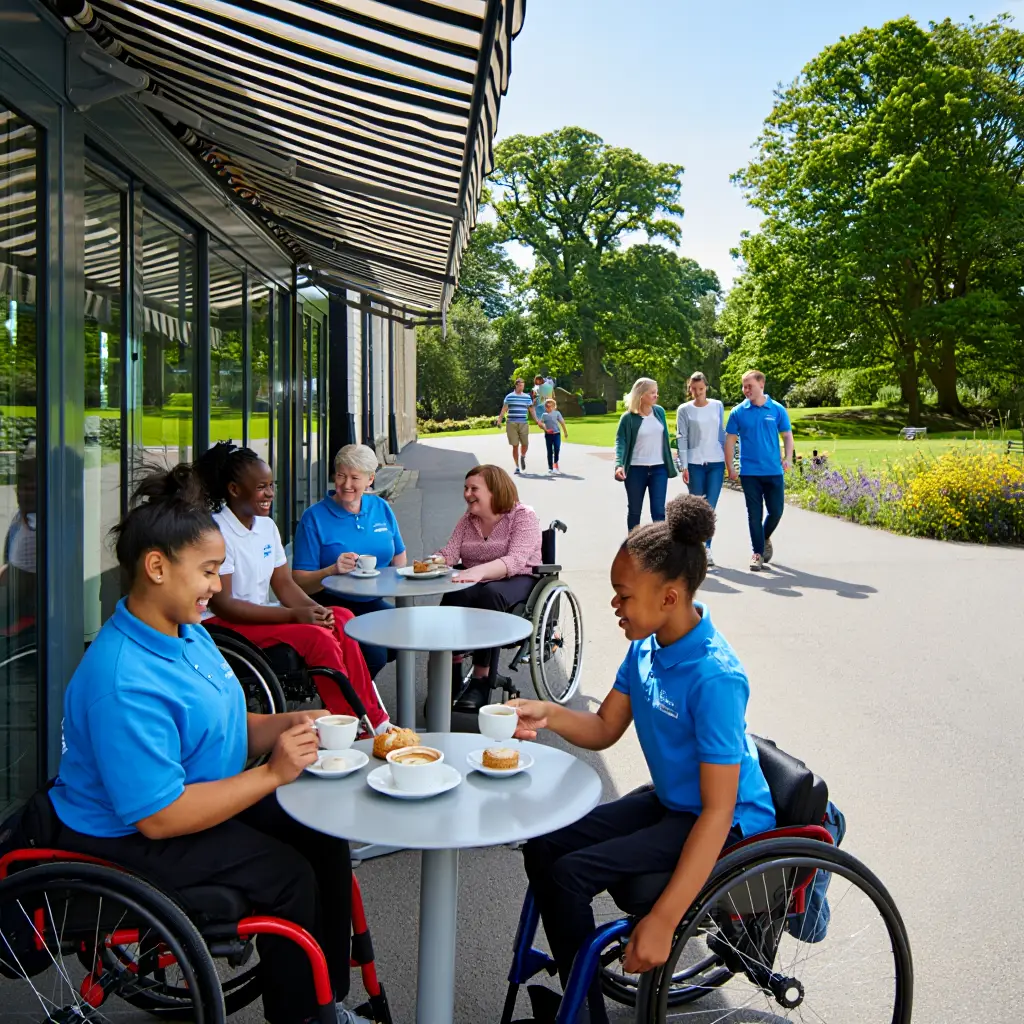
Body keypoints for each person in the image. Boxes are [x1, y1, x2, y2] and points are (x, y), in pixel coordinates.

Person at [46, 464, 373, 1024]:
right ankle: (305, 1016)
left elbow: (227, 724)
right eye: (208, 571)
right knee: (288, 876)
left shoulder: (187, 631)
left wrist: (297, 726)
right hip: (129, 834)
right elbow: (160, 817)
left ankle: (325, 1001)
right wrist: (270, 775)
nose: (217, 587)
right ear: (156, 567)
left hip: (201, 793)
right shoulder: (123, 680)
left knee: (323, 830)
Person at [510, 494, 775, 1024]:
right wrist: (548, 714)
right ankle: (579, 997)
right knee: (543, 848)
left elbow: (719, 812)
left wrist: (663, 918)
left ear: (671, 597)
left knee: (569, 875)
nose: (615, 606)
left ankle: (584, 1015)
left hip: (721, 822)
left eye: (623, 595)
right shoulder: (647, 646)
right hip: (676, 801)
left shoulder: (714, 677)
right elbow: (606, 726)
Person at [194, 442, 389, 733]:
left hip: (259, 616)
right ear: (234, 490)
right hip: (224, 623)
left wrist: (317, 610)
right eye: (261, 487)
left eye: (271, 485)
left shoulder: (266, 526)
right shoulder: (217, 531)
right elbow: (225, 605)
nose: (270, 493)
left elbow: (284, 584)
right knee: (316, 638)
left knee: (342, 618)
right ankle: (346, 723)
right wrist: (295, 616)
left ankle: (373, 718)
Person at [432, 464, 542, 712]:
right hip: (475, 579)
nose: (467, 494)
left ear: (494, 491)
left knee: (491, 595)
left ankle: (481, 678)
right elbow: (450, 553)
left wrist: (479, 571)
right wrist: (432, 562)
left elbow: (515, 560)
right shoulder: (467, 520)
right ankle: (451, 670)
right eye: (465, 488)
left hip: (518, 577)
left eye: (474, 488)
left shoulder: (522, 515)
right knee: (456, 594)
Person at [291, 444, 406, 678]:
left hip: (371, 600)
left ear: (370, 479)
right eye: (341, 475)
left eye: (355, 477)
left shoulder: (380, 507)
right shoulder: (314, 517)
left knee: (403, 639)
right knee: (374, 655)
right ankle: (348, 704)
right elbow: (299, 581)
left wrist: (396, 581)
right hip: (331, 602)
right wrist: (331, 570)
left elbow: (399, 556)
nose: (346, 485)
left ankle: (354, 691)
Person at [724, 370, 794, 572]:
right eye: (744, 386)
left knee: (776, 511)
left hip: (773, 471)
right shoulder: (738, 412)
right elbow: (730, 441)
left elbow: (787, 436)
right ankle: (757, 552)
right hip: (750, 473)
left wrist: (788, 458)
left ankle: (763, 537)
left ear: (761, 385)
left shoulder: (777, 409)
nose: (746, 390)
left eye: (749, 386)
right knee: (754, 514)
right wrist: (731, 466)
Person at [675, 372, 726, 567]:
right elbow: (682, 437)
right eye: (693, 389)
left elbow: (721, 433)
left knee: (710, 507)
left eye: (701, 389)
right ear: (689, 388)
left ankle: (707, 548)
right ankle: (695, 549)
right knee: (697, 508)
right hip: (695, 463)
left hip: (716, 462)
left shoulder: (717, 406)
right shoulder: (684, 410)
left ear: (706, 388)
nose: (697, 393)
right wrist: (684, 465)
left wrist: (729, 461)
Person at [614, 377, 678, 532]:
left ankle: (661, 548)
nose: (656, 395)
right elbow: (620, 442)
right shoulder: (628, 418)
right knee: (635, 511)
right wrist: (619, 465)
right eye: (652, 393)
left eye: (656, 392)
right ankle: (632, 548)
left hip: (659, 469)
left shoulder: (659, 412)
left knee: (659, 512)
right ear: (641, 395)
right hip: (636, 470)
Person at [496, 377, 537, 475]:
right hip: (511, 423)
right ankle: (517, 466)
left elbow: (531, 409)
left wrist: (537, 420)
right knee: (515, 446)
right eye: (520, 385)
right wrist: (499, 420)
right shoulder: (509, 397)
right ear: (516, 385)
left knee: (525, 444)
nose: (522, 387)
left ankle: (522, 456)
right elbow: (504, 409)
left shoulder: (527, 397)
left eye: (523, 386)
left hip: (523, 423)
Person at [539, 397, 568, 474]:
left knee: (557, 449)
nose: (549, 408)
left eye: (550, 406)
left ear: (554, 406)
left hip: (556, 434)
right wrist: (544, 428)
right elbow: (541, 424)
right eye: (547, 406)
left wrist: (565, 432)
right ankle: (550, 468)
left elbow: (562, 422)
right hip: (548, 435)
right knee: (549, 451)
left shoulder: (557, 413)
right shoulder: (544, 415)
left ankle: (555, 465)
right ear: (545, 407)